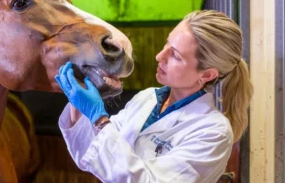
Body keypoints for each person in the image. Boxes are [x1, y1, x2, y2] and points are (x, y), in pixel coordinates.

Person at [54, 10, 254, 182]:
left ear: (207, 74)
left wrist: (98, 117)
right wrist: (78, 105)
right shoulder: (147, 98)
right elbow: (94, 155)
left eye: (175, 55)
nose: (160, 56)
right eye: (167, 44)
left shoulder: (212, 131)